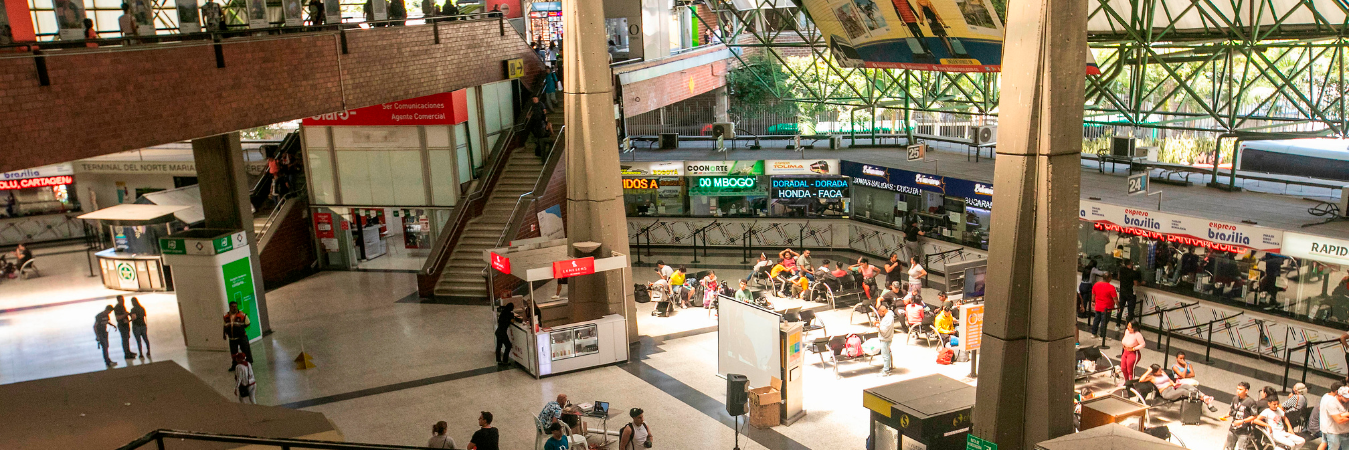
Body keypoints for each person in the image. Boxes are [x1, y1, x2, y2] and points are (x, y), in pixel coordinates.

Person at [1138, 364, 1215, 408]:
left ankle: (1204, 396)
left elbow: (1169, 380)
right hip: (1166, 393)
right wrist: (1149, 370)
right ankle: (1204, 399)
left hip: (1172, 388)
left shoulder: (1163, 373)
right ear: (1154, 372)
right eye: (1159, 371)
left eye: (1161, 370)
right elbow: (1141, 379)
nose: (1161, 371)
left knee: (1186, 386)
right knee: (1183, 391)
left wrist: (1173, 384)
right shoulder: (1152, 377)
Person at [1223, 382, 1259, 450]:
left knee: (1241, 448)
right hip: (1233, 428)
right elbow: (1232, 410)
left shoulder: (1251, 402)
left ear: (1246, 391)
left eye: (1240, 389)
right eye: (1237, 388)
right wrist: (1226, 415)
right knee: (1229, 447)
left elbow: (1254, 416)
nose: (1238, 391)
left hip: (1244, 431)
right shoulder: (1235, 399)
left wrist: (1242, 421)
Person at [223, 301, 253, 371]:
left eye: (235, 306)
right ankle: (234, 365)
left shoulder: (242, 315)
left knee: (246, 350)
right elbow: (225, 326)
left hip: (242, 337)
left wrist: (240, 330)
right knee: (233, 352)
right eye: (233, 307)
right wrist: (224, 334)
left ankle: (249, 363)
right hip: (232, 338)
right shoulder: (225, 316)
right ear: (230, 307)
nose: (234, 308)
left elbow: (247, 323)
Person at [1091, 273, 1118, 346]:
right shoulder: (1111, 287)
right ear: (1109, 278)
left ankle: (1094, 333)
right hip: (1107, 307)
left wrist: (1093, 301)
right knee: (1104, 322)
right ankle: (1102, 336)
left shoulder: (1096, 284)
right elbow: (1115, 298)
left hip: (1098, 306)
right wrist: (1118, 306)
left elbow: (1093, 294)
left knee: (1096, 319)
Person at [1115, 260, 1142, 327]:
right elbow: (1136, 284)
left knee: (1120, 308)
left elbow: (1118, 277)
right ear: (1130, 264)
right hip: (1130, 293)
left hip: (1122, 291)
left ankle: (1117, 325)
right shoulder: (1134, 273)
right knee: (1130, 311)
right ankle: (1129, 326)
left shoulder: (1121, 270)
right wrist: (1142, 283)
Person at [873, 303, 896, 376]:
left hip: (885, 338)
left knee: (885, 355)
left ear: (883, 311)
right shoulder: (889, 316)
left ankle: (886, 370)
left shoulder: (887, 318)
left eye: (880, 313)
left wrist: (877, 325)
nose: (880, 315)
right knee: (887, 353)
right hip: (888, 337)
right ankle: (887, 367)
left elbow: (883, 329)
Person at [1324, 386, 1349, 450]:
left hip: (1345, 432)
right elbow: (1339, 420)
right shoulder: (1332, 403)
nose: (1348, 399)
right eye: (1346, 397)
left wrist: (1344, 415)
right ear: (1340, 395)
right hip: (1334, 432)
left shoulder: (1347, 402)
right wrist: (1344, 415)